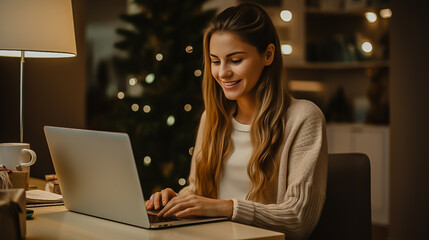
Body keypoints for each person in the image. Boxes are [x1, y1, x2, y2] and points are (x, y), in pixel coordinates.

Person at [145, 3, 327, 239]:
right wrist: (177, 199)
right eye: (215, 61)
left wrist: (226, 207)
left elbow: (298, 219)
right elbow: (199, 189)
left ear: (268, 55)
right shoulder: (212, 118)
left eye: (235, 60)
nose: (222, 73)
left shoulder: (304, 117)